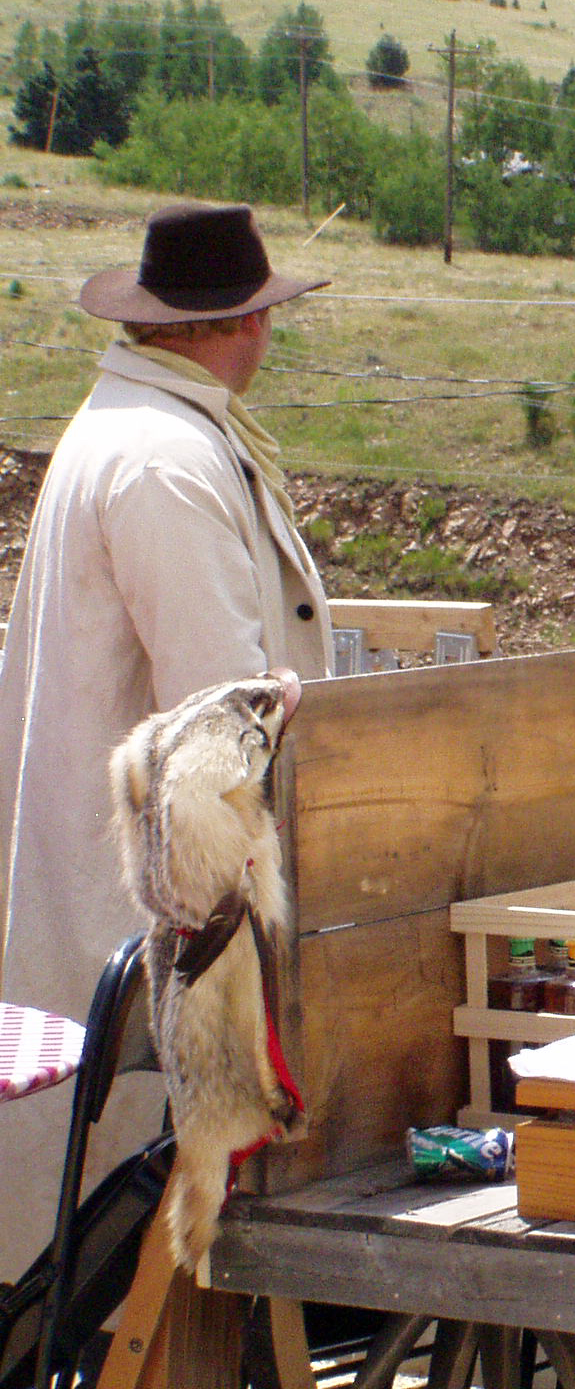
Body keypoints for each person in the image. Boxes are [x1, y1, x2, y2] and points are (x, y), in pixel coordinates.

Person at [0, 202, 332, 1280]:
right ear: (239, 323)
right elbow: (218, 722)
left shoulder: (141, 434)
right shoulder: (164, 462)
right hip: (154, 914)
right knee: (124, 1235)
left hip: (121, 885)